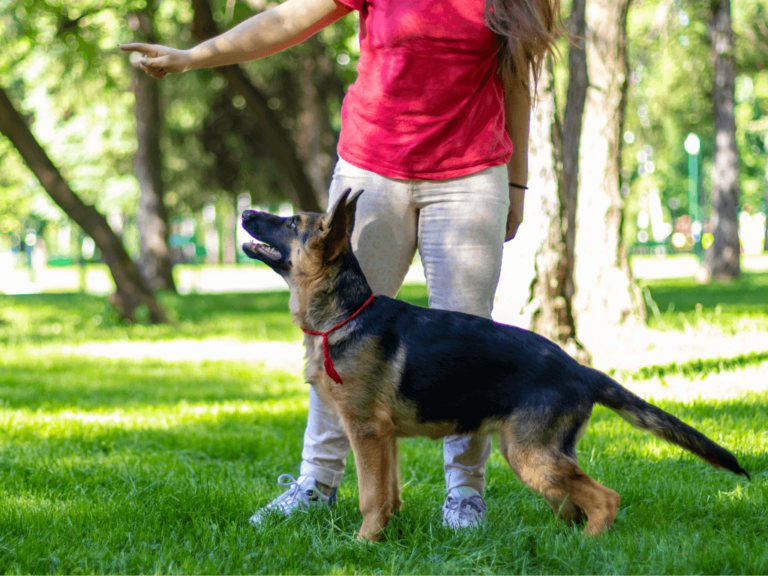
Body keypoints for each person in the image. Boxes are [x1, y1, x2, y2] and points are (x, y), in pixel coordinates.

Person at [121, 0, 561, 529]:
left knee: (468, 342)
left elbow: (516, 81)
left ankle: (464, 494)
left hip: (470, 178)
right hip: (372, 176)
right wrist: (193, 56)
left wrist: (516, 183)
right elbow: (287, 20)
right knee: (337, 336)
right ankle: (317, 482)